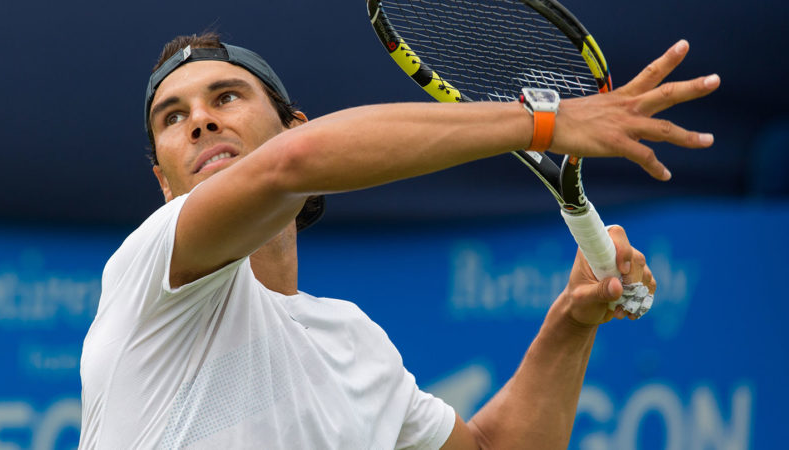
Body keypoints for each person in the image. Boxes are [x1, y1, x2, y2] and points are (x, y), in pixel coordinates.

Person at [78, 32, 719, 449]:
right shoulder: (148, 272)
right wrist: (545, 122)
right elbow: (291, 166)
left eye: (226, 96)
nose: (200, 121)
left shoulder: (350, 342)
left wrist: (573, 322)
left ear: (290, 124)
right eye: (173, 117)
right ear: (163, 184)